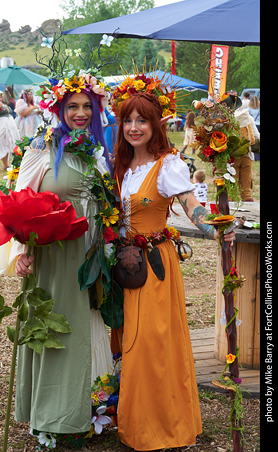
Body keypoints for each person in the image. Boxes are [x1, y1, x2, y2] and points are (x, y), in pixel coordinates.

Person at [0, 70, 114, 437]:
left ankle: (88, 409)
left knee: (85, 325)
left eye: (86, 106)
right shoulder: (41, 149)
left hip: (89, 258)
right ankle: (52, 416)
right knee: (56, 329)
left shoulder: (96, 152)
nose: (80, 113)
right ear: (58, 109)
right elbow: (17, 204)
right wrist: (20, 251)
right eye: (72, 106)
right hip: (54, 258)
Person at [111, 91, 235, 451]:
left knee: (154, 342)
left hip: (155, 264)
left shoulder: (167, 165)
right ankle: (134, 422)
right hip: (124, 263)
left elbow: (190, 204)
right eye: (128, 120)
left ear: (155, 125)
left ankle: (162, 426)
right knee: (129, 339)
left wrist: (215, 229)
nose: (134, 128)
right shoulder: (121, 166)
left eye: (142, 120)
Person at [234, 102, 260, 201]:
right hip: (248, 155)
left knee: (232, 185)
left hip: (233, 157)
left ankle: (231, 204)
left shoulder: (231, 119)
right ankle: (248, 203)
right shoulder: (249, 118)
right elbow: (257, 136)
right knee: (246, 188)